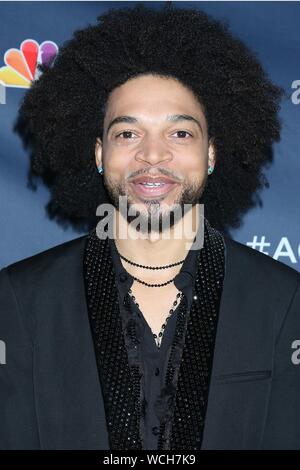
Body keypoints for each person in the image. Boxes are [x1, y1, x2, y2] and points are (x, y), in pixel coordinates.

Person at [1, 3, 299, 450]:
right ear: (99, 154)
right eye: (128, 133)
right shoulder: (19, 299)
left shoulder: (283, 299)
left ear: (212, 154)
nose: (153, 155)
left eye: (180, 133)